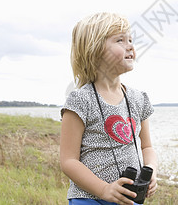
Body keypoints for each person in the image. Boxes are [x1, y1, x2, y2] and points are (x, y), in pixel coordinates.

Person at [60, 12, 158, 205]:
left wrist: (152, 168)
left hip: (128, 198)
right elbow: (68, 161)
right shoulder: (80, 100)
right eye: (120, 40)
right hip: (88, 199)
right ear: (95, 50)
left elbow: (147, 147)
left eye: (130, 39)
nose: (130, 45)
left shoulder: (138, 99)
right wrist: (104, 189)